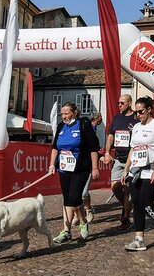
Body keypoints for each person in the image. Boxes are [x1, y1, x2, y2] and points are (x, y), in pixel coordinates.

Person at [121, 96, 154, 251]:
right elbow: (133, 150)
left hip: (150, 170)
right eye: (136, 112)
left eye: (141, 112)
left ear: (149, 110)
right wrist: (126, 169)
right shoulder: (136, 127)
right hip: (136, 171)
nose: (138, 115)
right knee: (136, 205)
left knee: (147, 204)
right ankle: (139, 240)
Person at [48, 102, 100, 244]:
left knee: (75, 198)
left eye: (66, 113)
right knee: (66, 200)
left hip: (80, 168)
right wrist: (52, 165)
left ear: (75, 113)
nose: (64, 116)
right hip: (64, 168)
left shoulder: (83, 124)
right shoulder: (61, 126)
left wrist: (95, 167)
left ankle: (83, 222)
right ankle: (66, 231)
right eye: (62, 114)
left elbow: (93, 147)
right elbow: (55, 148)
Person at [102, 95, 139, 230]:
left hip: (132, 159)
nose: (119, 105)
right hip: (118, 158)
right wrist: (107, 153)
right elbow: (111, 136)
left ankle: (126, 218)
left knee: (128, 189)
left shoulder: (136, 118)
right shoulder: (117, 118)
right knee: (115, 186)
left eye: (122, 103)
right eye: (118, 103)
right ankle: (126, 206)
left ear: (129, 103)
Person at [71, 113, 102, 226]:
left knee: (83, 193)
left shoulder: (89, 128)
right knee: (74, 193)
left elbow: (94, 147)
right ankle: (76, 215)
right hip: (74, 166)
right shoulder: (78, 128)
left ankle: (88, 209)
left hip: (86, 165)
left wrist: (95, 165)